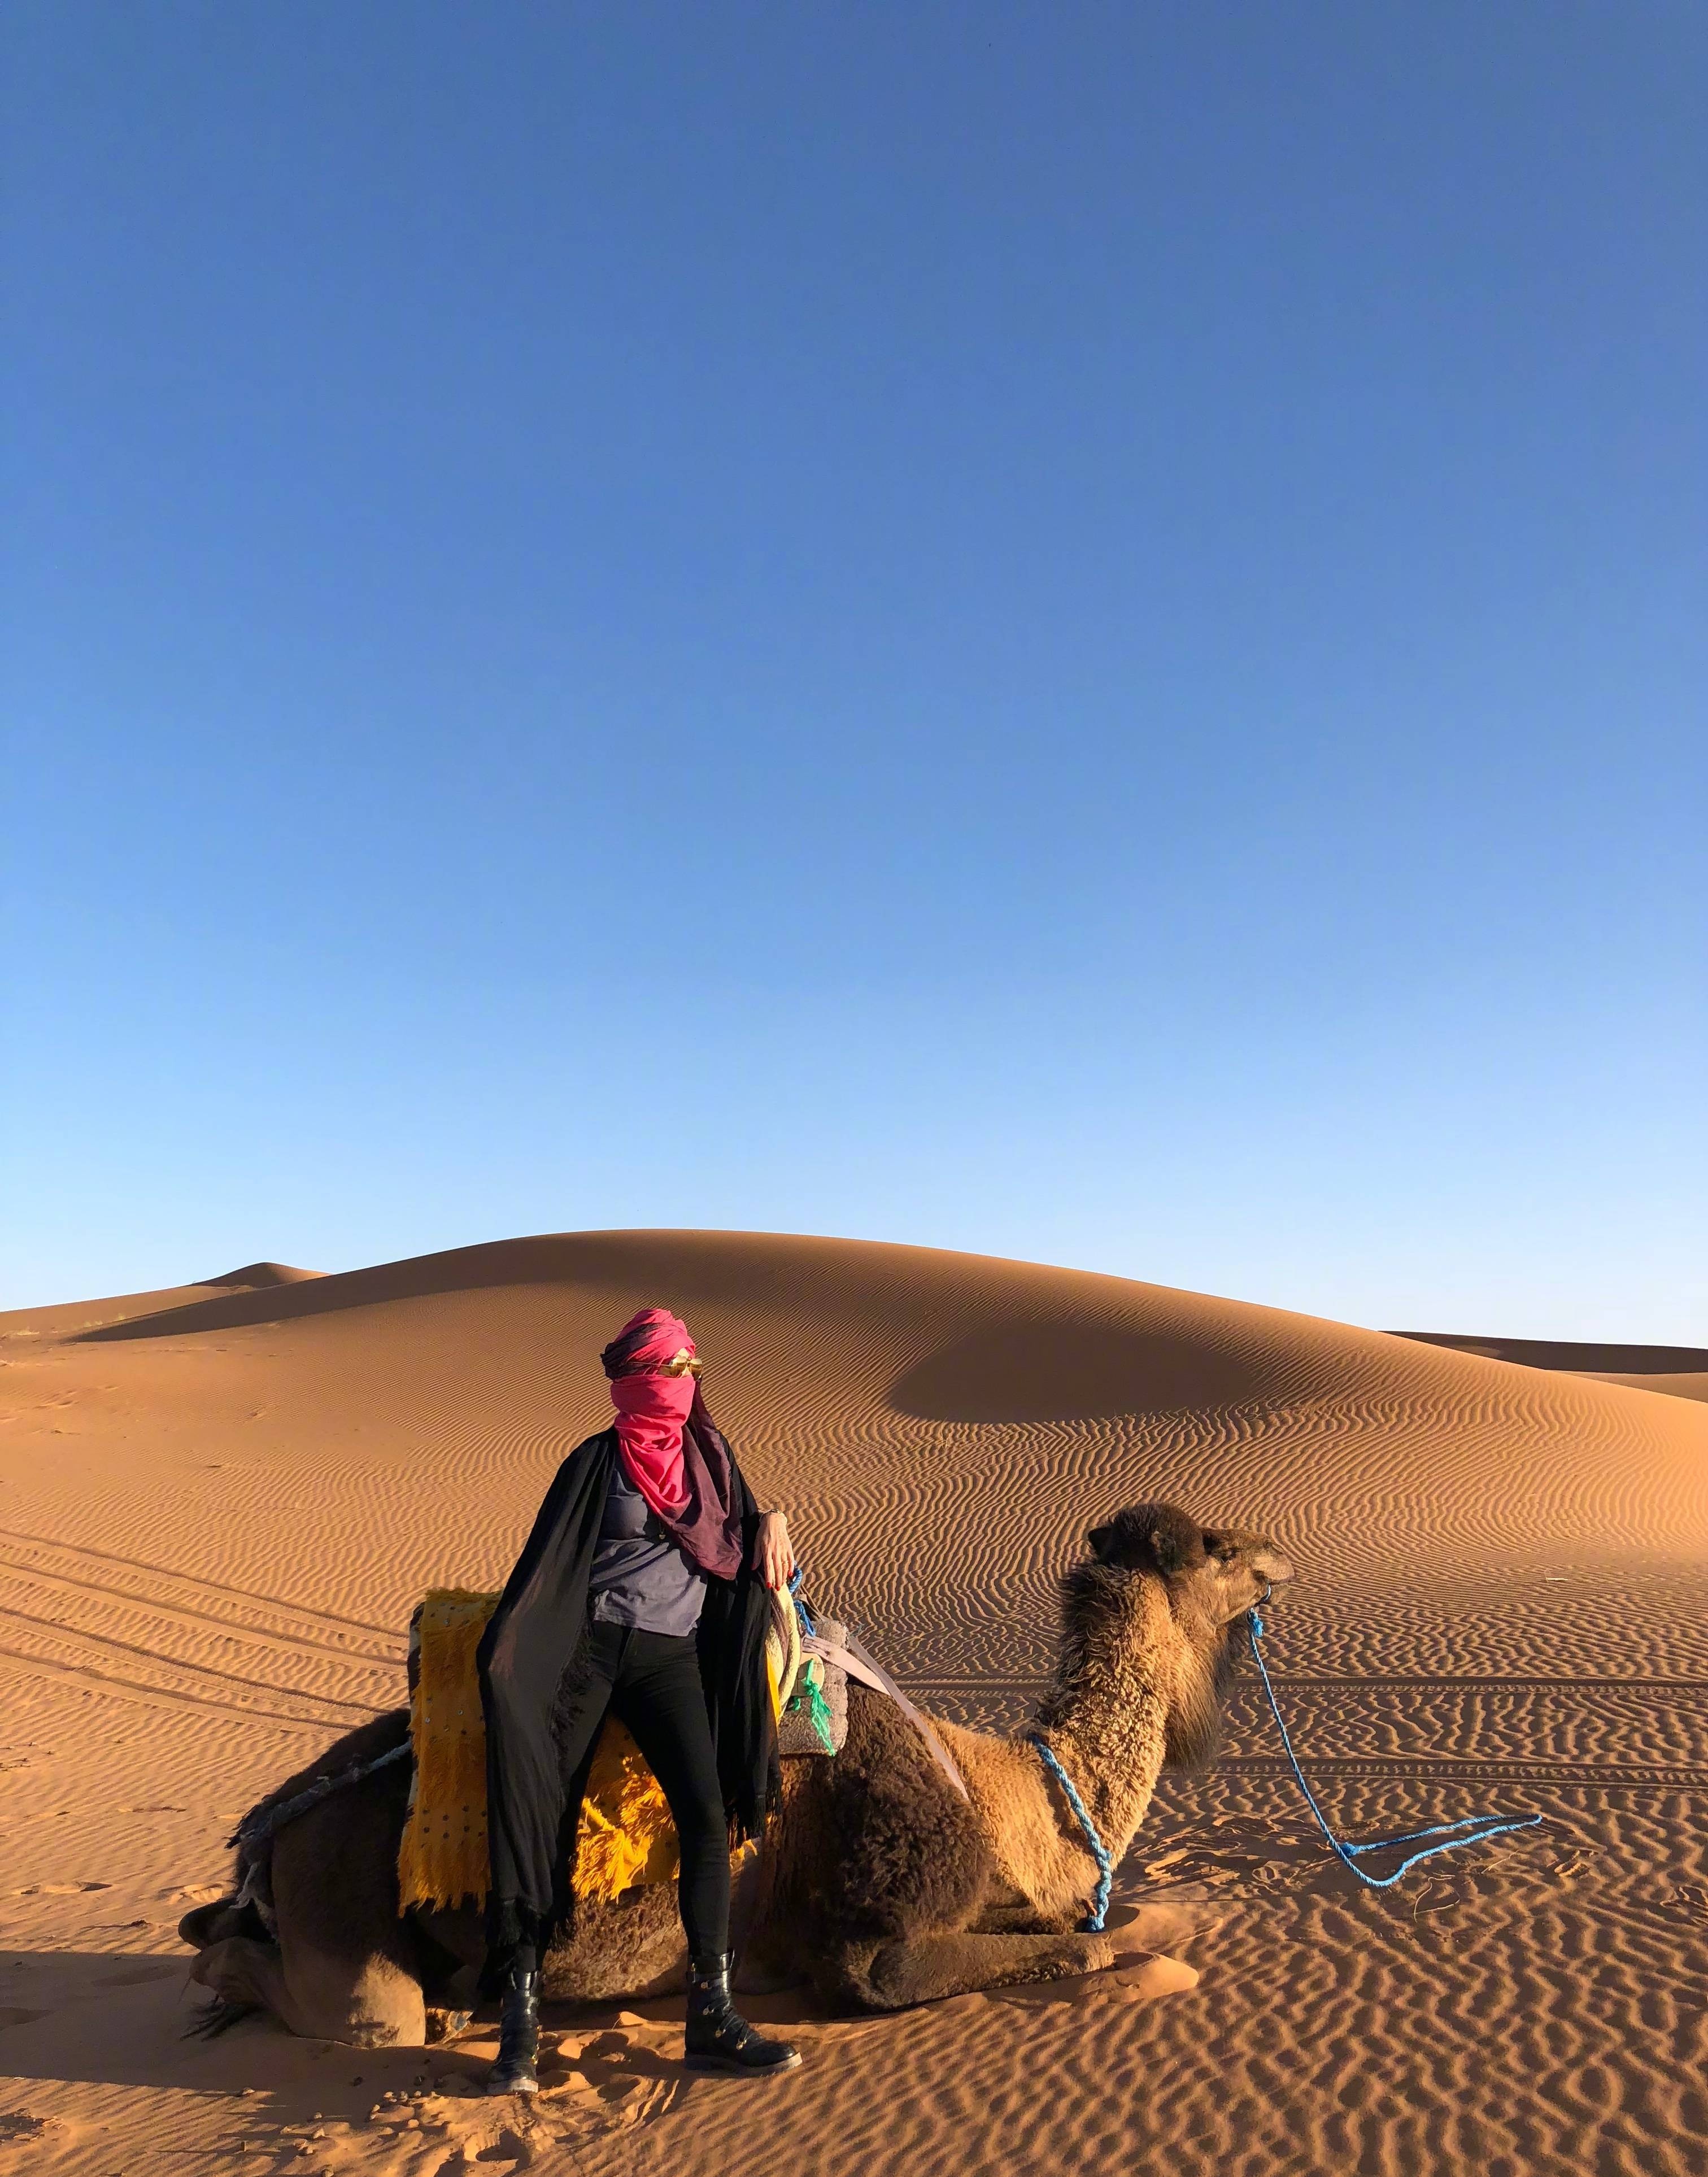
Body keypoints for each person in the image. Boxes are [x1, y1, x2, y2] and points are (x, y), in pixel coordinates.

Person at [475, 1306, 801, 2093]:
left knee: (705, 1814)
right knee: (537, 1809)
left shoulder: (710, 1457)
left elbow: (735, 1527)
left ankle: (711, 2015)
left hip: (669, 1657)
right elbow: (546, 1568)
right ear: (635, 1380)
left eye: (692, 1367)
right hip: (589, 1651)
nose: (685, 1384)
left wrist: (772, 1515)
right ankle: (519, 2023)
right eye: (672, 1369)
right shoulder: (594, 1463)